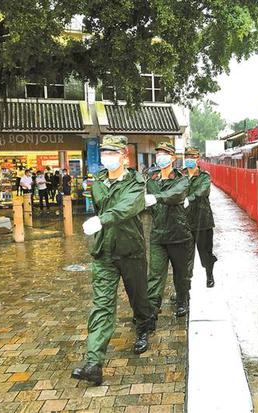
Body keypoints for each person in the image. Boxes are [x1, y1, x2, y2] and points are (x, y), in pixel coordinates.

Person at [71, 135, 155, 386]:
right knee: (102, 306)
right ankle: (93, 363)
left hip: (131, 250)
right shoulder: (97, 182)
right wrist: (103, 220)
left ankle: (143, 328)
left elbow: (127, 207)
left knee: (138, 298)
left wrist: (102, 220)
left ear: (123, 156)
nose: (107, 157)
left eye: (112, 152)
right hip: (104, 252)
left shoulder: (136, 181)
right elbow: (103, 204)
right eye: (104, 152)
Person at [145, 142, 193, 317]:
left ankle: (182, 300)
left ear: (173, 157)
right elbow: (149, 207)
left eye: (164, 153)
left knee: (181, 274)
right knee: (155, 275)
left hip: (179, 234)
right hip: (158, 235)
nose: (160, 157)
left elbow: (176, 195)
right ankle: (152, 309)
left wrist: (156, 198)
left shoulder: (182, 179)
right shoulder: (152, 181)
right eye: (158, 154)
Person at [183, 147, 217, 288]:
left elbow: (202, 191)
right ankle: (185, 283)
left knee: (205, 252)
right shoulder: (180, 176)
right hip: (185, 221)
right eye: (188, 156)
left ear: (198, 159)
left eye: (193, 156)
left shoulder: (204, 176)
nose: (190, 159)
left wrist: (188, 198)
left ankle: (209, 274)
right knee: (186, 256)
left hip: (203, 221)